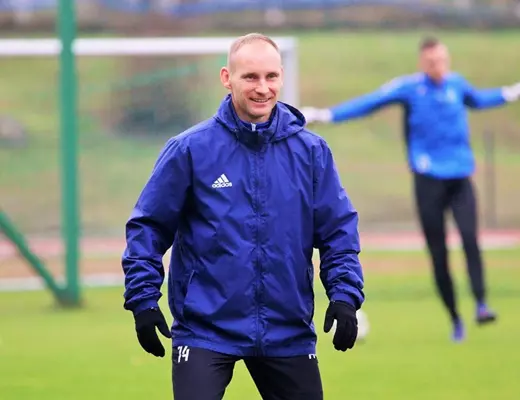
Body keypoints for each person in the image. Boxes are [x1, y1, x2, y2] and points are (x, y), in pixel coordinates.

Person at [121, 33, 365, 399]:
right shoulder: (190, 149)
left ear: (281, 77)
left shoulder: (312, 152)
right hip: (205, 330)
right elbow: (149, 227)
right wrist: (143, 299)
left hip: (287, 330)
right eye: (250, 77)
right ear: (227, 78)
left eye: (271, 76)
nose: (262, 88)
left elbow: (338, 232)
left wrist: (344, 295)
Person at [301, 36, 520, 343]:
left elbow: (481, 99)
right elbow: (371, 102)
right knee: (438, 252)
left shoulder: (457, 85)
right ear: (422, 63)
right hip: (428, 181)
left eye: (441, 61)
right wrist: (327, 114)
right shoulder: (410, 88)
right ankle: (455, 318)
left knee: (471, 239)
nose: (438, 66)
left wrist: (511, 92)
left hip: (460, 178)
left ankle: (482, 304)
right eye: (432, 62)